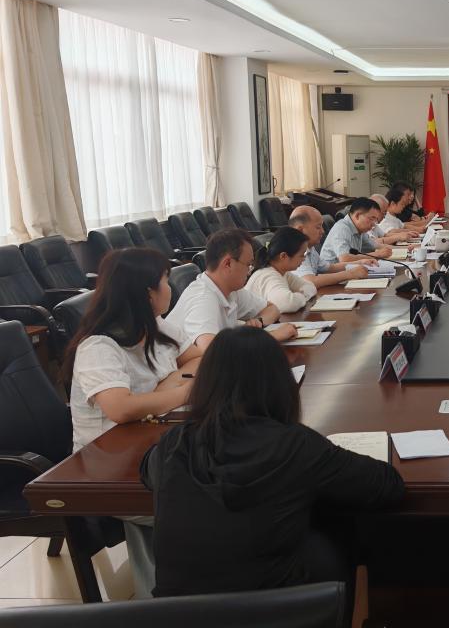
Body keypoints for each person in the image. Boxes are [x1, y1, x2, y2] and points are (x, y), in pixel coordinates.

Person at [141, 327, 405, 598]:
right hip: (276, 612)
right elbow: (387, 485)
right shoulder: (295, 445)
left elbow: (148, 470)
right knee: (335, 530)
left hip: (176, 614)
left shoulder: (173, 444)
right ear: (280, 383)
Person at [65, 247, 200, 598]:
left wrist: (165, 387)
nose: (170, 288)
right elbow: (121, 409)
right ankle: (166, 603)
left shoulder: (155, 324)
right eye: (165, 280)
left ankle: (170, 596)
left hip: (149, 443)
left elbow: (198, 357)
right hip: (108, 464)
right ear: (146, 292)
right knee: (199, 500)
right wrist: (181, 391)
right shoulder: (99, 346)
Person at [166, 228, 295, 350]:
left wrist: (259, 322)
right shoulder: (203, 298)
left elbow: (272, 309)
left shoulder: (231, 290)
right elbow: (211, 350)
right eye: (248, 264)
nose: (250, 271)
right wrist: (272, 337)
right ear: (228, 264)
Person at [289, 205, 370, 288]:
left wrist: (360, 262)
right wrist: (350, 274)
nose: (323, 231)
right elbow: (310, 281)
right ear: (300, 230)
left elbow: (329, 268)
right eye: (318, 227)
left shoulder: (309, 247)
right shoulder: (294, 248)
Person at [247, 227, 319, 313]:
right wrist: (301, 296)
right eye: (301, 255)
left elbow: (310, 287)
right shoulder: (268, 275)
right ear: (283, 256)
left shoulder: (283, 272)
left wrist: (296, 296)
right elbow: (287, 304)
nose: (304, 258)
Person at [319, 197, 393, 265]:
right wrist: (378, 254)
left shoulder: (359, 229)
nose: (374, 224)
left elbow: (374, 245)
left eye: (375, 220)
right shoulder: (342, 228)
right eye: (371, 219)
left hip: (349, 271)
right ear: (357, 215)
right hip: (332, 273)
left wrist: (395, 249)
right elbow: (345, 258)